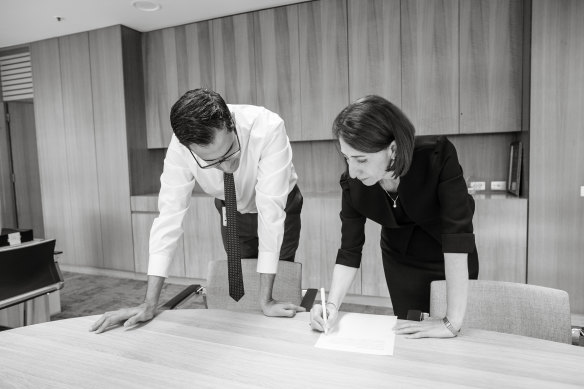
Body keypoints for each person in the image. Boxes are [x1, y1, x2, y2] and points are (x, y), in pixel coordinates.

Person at [91, 88, 305, 333]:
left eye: (230, 151)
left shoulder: (268, 127)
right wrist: (149, 303)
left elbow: (270, 213)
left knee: (280, 274)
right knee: (241, 278)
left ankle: (276, 330)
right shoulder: (181, 146)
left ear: (231, 123)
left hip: (280, 205)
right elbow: (168, 217)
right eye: (212, 162)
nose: (227, 166)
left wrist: (267, 301)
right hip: (230, 206)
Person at [310, 95, 478, 338]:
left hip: (449, 257)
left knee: (452, 338)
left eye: (361, 159)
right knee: (410, 334)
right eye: (347, 158)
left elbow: (457, 235)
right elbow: (349, 250)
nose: (353, 172)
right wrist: (332, 305)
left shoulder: (436, 157)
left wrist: (451, 322)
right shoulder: (353, 184)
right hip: (401, 260)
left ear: (393, 148)